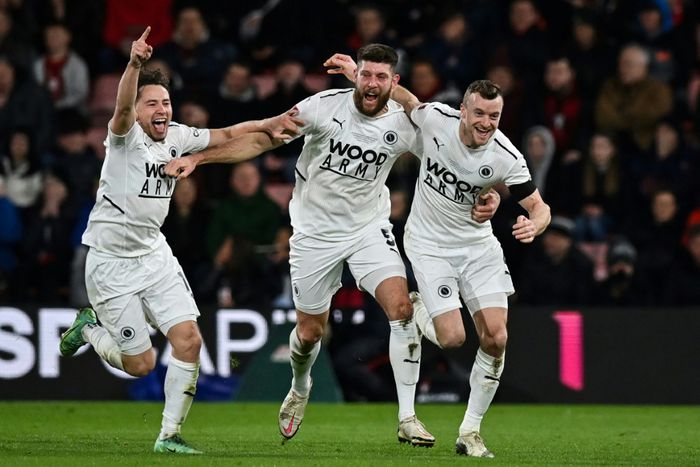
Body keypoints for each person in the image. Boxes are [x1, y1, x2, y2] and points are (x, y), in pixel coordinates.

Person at [164, 44, 500, 448]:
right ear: (356, 75)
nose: (372, 83)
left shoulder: (403, 123)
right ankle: (300, 385)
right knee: (310, 333)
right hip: (314, 235)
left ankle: (407, 417)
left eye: (381, 77)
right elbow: (264, 139)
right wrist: (200, 159)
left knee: (401, 309)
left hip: (368, 230)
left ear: (393, 82)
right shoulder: (323, 107)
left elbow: (452, 159)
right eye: (366, 74)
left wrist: (488, 194)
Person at [57, 27, 301, 455]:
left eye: (166, 103)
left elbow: (227, 134)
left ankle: (168, 435)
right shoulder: (124, 137)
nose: (162, 110)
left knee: (189, 340)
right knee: (141, 364)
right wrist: (133, 65)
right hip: (111, 262)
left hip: (154, 254)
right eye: (152, 103)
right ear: (138, 111)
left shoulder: (177, 137)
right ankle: (90, 329)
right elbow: (120, 108)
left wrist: (267, 123)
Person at [325, 53, 551, 458]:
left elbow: (539, 205)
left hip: (477, 247)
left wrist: (534, 224)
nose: (486, 123)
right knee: (452, 338)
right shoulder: (436, 120)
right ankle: (416, 307)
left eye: (494, 116)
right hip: (429, 245)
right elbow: (405, 98)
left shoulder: (506, 156)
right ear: (463, 110)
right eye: (479, 113)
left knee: (496, 337)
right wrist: (359, 76)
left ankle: (470, 432)